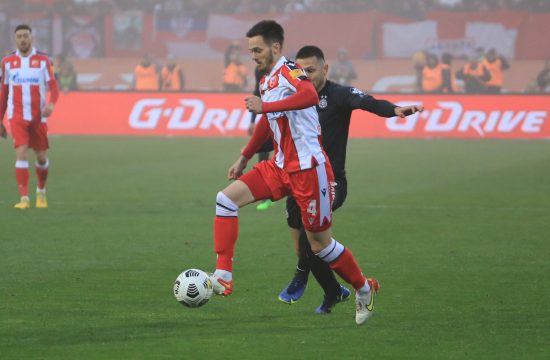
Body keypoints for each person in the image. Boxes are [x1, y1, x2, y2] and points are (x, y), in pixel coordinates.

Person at [209, 20, 378, 325]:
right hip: (279, 166)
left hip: (309, 170)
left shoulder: (289, 69)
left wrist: (265, 107)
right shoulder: (266, 79)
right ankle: (223, 276)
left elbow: (309, 96)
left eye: (257, 49)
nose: (253, 55)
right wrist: (245, 156)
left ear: (275, 47)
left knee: (319, 245)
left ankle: (364, 289)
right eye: (250, 50)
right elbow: (268, 121)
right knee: (225, 200)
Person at [275, 45, 423, 313]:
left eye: (311, 70)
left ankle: (300, 276)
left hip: (331, 182)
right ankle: (333, 292)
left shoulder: (339, 95)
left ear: (325, 68)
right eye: (301, 71)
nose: (305, 76)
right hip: (297, 179)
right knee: (309, 246)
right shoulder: (292, 97)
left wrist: (395, 110)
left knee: (313, 240)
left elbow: (368, 102)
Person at [0, 24, 59, 209]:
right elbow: (4, 91)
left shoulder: (43, 60)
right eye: (19, 36)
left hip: (38, 117)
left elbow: (54, 87)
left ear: (31, 37)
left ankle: (41, 191)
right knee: (21, 152)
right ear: (15, 39)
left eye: (25, 35)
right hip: (17, 116)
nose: (23, 39)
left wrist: (50, 104)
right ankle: (24, 198)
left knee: (41, 157)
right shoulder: (7, 62)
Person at [248, 64, 273, 211]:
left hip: (287, 120)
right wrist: (252, 121)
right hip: (268, 118)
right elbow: (256, 92)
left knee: (288, 157)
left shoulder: (284, 69)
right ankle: (266, 196)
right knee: (262, 155)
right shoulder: (259, 70)